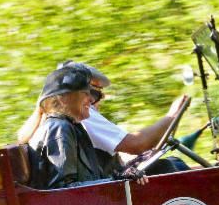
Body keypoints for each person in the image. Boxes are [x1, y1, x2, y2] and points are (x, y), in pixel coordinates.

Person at [18, 61, 190, 175]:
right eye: (92, 92)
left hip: (104, 185)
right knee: (165, 168)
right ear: (68, 95)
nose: (95, 98)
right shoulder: (66, 124)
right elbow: (68, 186)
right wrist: (172, 115)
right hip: (102, 195)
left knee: (173, 164)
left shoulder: (71, 121)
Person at [28, 64, 135, 190]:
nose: (91, 99)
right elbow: (63, 190)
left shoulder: (72, 128)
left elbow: (91, 178)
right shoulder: (59, 129)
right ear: (63, 99)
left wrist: (122, 175)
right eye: (85, 93)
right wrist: (117, 181)